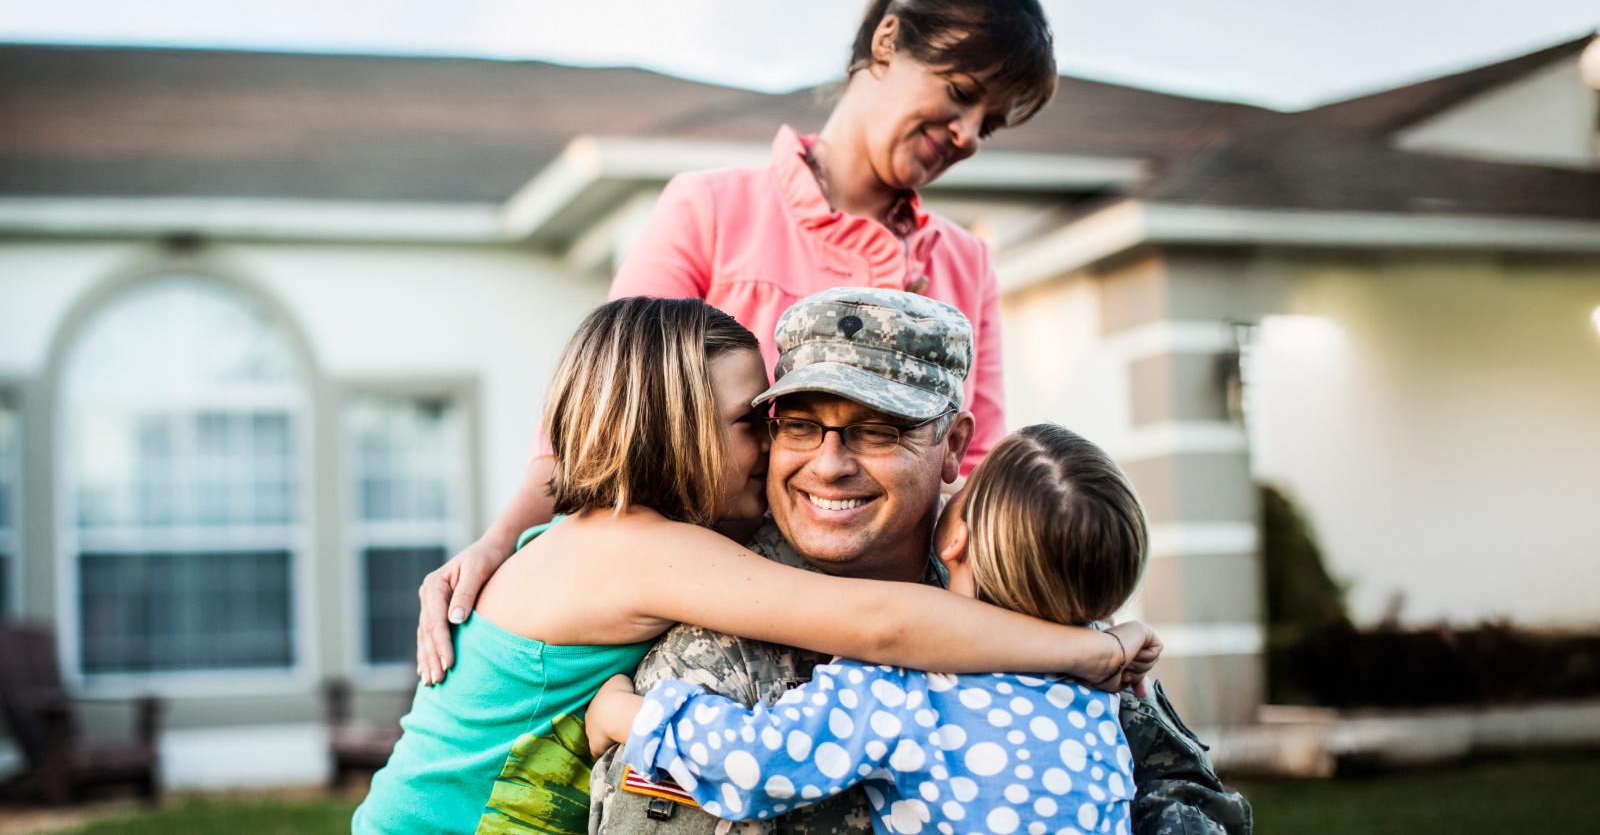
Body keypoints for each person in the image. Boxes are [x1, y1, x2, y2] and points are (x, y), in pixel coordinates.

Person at [415, 0, 1060, 681]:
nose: (970, 134)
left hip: (903, 624)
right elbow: (603, 416)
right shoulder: (711, 211)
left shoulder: (965, 263)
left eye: (992, 123)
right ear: (887, 42)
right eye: (962, 92)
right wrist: (501, 543)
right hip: (716, 624)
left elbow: (979, 474)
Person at [352, 296, 1157, 834]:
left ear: (953, 444)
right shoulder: (644, 551)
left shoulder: (606, 529)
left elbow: (569, 464)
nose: (783, 453)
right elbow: (881, 624)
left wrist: (496, 536)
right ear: (672, 432)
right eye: (761, 423)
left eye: (876, 432)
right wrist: (1088, 651)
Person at [587, 287, 1253, 835]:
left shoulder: (1013, 586)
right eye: (798, 425)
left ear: (955, 444)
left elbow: (1186, 795)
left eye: (878, 430)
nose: (830, 464)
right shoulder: (716, 640)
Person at [585, 424, 1151, 835]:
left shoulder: (902, 687)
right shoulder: (1101, 692)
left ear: (957, 538)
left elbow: (757, 762)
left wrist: (628, 714)